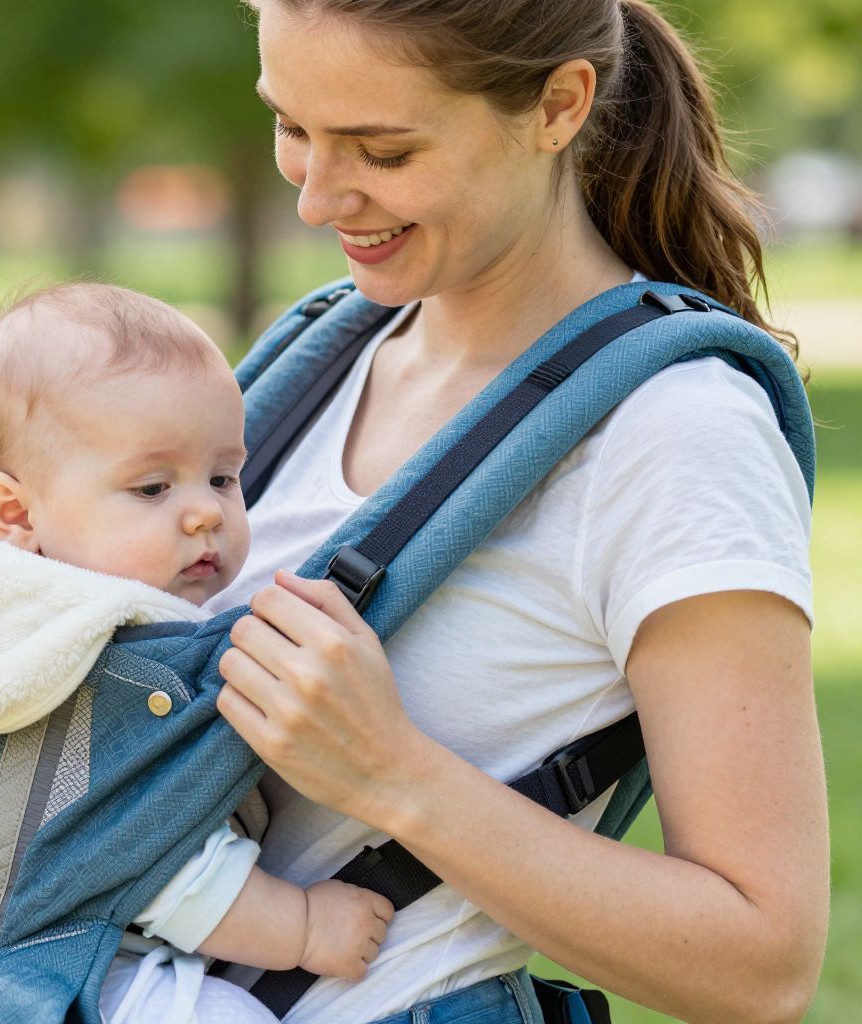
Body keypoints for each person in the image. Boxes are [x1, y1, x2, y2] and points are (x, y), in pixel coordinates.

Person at [197, 0, 828, 1021]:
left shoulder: (675, 434)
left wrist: (393, 774)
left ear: (559, 106)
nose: (317, 197)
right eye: (292, 127)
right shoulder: (317, 358)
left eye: (383, 150)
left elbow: (764, 963)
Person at [0, 281, 391, 1024]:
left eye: (224, 476)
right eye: (153, 486)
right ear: (16, 513)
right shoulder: (98, 667)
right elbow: (156, 859)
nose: (205, 511)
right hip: (25, 980)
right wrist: (305, 927)